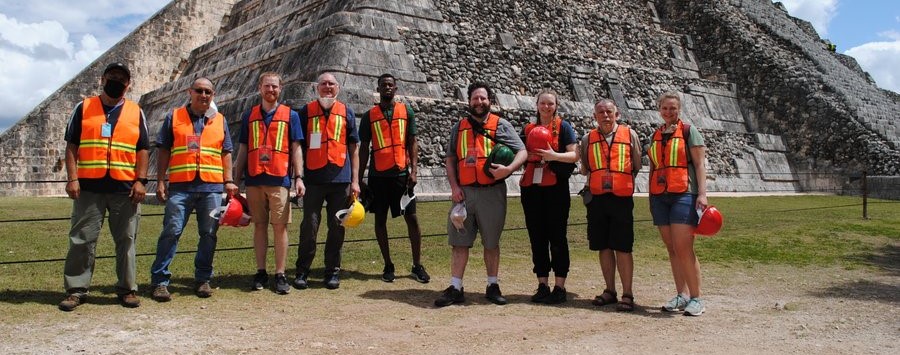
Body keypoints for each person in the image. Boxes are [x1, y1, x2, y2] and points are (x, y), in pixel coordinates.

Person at [59, 62, 150, 311]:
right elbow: (71, 146)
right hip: (89, 187)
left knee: (127, 240)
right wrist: (72, 178)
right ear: (102, 79)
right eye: (112, 77)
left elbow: (143, 148)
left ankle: (127, 288)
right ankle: (76, 289)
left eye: (121, 79)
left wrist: (141, 181)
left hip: (124, 187)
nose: (116, 82)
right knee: (82, 239)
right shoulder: (84, 107)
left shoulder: (135, 111)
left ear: (128, 84)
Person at [434, 82, 527, 307]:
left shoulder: (501, 125)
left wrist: (509, 169)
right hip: (464, 193)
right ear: (469, 101)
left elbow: (523, 151)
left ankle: (492, 285)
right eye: (475, 98)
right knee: (459, 242)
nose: (479, 102)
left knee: (491, 242)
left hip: (491, 192)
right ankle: (456, 287)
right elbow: (450, 160)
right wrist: (455, 187)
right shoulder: (459, 127)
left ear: (490, 101)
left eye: (483, 99)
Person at [149, 77, 238, 302]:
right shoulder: (174, 117)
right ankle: (160, 281)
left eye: (208, 91)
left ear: (213, 95)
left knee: (209, 234)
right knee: (171, 231)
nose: (203, 95)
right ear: (190, 92)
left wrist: (228, 180)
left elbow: (226, 152)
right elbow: (164, 151)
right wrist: (160, 181)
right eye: (199, 90)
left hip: (211, 187)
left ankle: (203, 278)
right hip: (181, 187)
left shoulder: (220, 120)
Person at [233, 72, 305, 295]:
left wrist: (299, 177)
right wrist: (235, 179)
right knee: (260, 226)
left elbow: (296, 148)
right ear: (259, 88)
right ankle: (261, 271)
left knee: (280, 227)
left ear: (280, 89)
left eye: (274, 87)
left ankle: (280, 273)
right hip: (254, 179)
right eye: (267, 86)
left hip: (279, 179)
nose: (270, 90)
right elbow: (243, 148)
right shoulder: (250, 115)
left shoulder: (290, 116)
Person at [358, 74, 430, 284]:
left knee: (412, 218)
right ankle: (388, 264)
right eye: (384, 85)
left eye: (390, 85)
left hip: (401, 175)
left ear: (395, 88)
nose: (387, 88)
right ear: (378, 88)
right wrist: (360, 177)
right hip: (378, 176)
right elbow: (364, 148)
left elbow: (413, 141)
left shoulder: (405, 111)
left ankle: (417, 264)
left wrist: (414, 171)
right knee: (380, 220)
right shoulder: (369, 115)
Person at [293, 72, 360, 290]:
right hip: (313, 179)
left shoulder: (347, 113)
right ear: (316, 88)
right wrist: (299, 176)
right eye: (323, 84)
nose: (327, 87)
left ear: (338, 89)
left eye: (331, 84)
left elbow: (354, 149)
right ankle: (302, 270)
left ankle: (332, 271)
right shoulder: (306, 112)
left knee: (337, 227)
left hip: (340, 180)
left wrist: (355, 181)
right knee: (309, 226)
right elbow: (298, 147)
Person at [648, 92, 708, 316]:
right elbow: (654, 167)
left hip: (684, 193)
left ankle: (696, 297)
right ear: (659, 109)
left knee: (684, 248)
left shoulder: (688, 131)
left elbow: (700, 165)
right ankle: (681, 294)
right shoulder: (656, 135)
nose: (668, 112)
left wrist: (702, 194)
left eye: (673, 109)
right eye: (665, 108)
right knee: (672, 248)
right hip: (660, 196)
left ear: (679, 109)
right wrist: (650, 196)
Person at [581, 99, 642, 312]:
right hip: (597, 199)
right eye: (601, 112)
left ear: (617, 114)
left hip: (621, 198)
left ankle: (627, 293)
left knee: (623, 246)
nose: (605, 116)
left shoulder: (629, 135)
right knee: (603, 245)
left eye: (609, 112)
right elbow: (585, 167)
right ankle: (610, 290)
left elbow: (636, 164)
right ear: (595, 116)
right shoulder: (588, 139)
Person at [519, 89, 578, 304]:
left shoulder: (564, 127)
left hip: (555, 188)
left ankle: (560, 286)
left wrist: (553, 156)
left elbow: (574, 154)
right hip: (532, 188)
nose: (546, 107)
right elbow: (519, 152)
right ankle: (542, 283)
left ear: (556, 106)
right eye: (543, 103)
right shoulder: (528, 129)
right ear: (536, 105)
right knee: (537, 236)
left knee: (557, 236)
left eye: (550, 104)